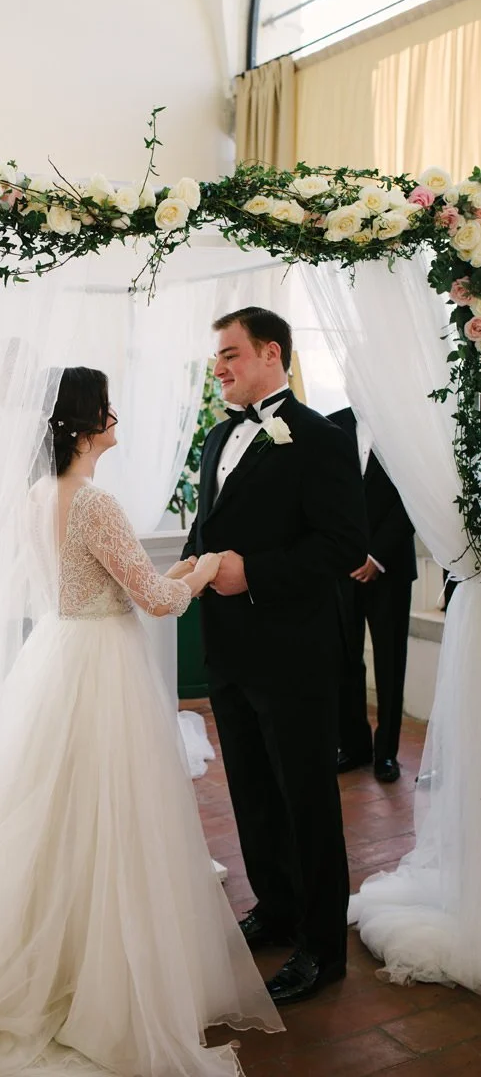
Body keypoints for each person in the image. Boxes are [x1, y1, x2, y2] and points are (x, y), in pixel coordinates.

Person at [0, 366, 282, 1076]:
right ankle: (96, 975)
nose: (115, 416)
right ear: (82, 423)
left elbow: (105, 587)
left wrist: (180, 575)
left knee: (50, 812)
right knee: (104, 816)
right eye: (105, 407)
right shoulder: (94, 502)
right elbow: (157, 601)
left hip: (61, 649)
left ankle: (58, 951)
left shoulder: (37, 497)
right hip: (99, 664)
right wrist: (203, 568)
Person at [181, 308, 368, 1007]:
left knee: (306, 801)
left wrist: (252, 572)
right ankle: (276, 907)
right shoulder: (215, 439)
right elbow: (211, 529)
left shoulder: (318, 437)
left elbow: (343, 545)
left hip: (293, 652)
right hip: (229, 651)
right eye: (216, 358)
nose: (220, 368)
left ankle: (321, 948)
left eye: (229, 355)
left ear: (271, 353)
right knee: (252, 794)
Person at [328, 407, 417, 784]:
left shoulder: (405, 428)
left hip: (390, 567)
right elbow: (325, 495)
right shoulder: (333, 425)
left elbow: (414, 499)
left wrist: (376, 555)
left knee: (390, 663)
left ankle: (387, 754)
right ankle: (355, 745)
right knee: (346, 660)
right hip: (343, 569)